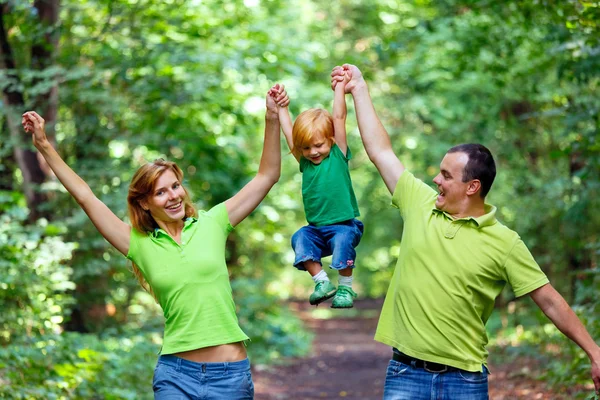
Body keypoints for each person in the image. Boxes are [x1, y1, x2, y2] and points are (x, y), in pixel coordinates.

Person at [331, 64, 600, 399]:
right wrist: (359, 88)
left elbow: (549, 300)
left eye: (446, 175)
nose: (436, 180)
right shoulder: (420, 204)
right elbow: (380, 152)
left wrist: (595, 352)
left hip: (465, 382)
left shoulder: (504, 242)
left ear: (472, 186)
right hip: (404, 375)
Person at [21, 84, 290, 400]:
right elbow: (85, 197)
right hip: (175, 376)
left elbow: (267, 175)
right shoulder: (138, 243)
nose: (173, 195)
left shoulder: (213, 222)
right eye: (161, 191)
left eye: (175, 186)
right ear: (145, 202)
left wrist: (272, 118)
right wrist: (44, 146)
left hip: (230, 378)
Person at [278, 72, 364, 309]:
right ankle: (321, 282)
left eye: (318, 145)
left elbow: (339, 116)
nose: (313, 151)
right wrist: (282, 108)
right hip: (316, 230)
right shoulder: (304, 162)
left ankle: (345, 287)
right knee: (299, 238)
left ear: (332, 140)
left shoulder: (337, 154)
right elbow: (290, 137)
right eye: (306, 147)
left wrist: (339, 87)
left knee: (344, 238)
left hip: (344, 226)